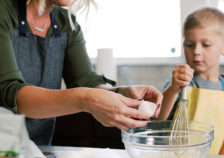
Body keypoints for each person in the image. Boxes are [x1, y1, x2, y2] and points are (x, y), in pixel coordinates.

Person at [0, 0, 163, 145]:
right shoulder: (4, 11)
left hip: (38, 149)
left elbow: (85, 81)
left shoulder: (66, 23)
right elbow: (11, 95)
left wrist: (122, 92)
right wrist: (86, 99)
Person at [158, 7, 224, 155]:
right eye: (189, 45)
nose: (197, 51)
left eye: (206, 45)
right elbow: (158, 121)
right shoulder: (178, 83)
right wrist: (173, 89)